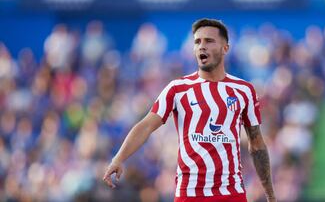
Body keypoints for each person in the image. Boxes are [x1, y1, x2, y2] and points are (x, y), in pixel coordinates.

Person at [103, 18, 276, 202]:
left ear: (225, 48)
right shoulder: (177, 88)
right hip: (190, 194)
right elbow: (146, 125)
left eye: (209, 41)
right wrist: (118, 158)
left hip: (230, 194)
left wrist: (270, 195)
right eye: (197, 42)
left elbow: (256, 143)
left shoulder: (244, 90)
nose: (202, 46)